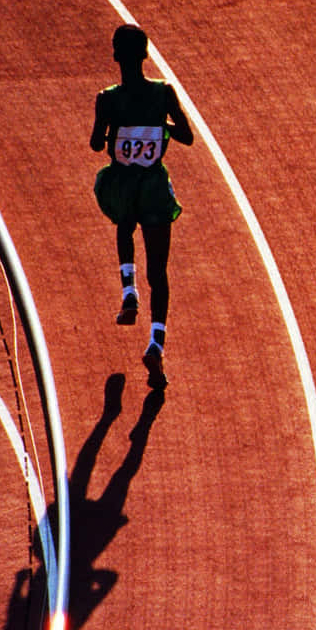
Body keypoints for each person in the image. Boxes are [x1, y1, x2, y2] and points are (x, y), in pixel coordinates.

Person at [90, 24, 193, 389]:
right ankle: (156, 343)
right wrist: (159, 125)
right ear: (146, 54)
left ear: (117, 56)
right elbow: (187, 136)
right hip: (153, 186)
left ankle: (128, 291)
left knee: (123, 222)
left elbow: (95, 144)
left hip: (122, 185)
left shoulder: (107, 98)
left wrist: (114, 127)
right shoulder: (164, 93)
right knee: (160, 272)